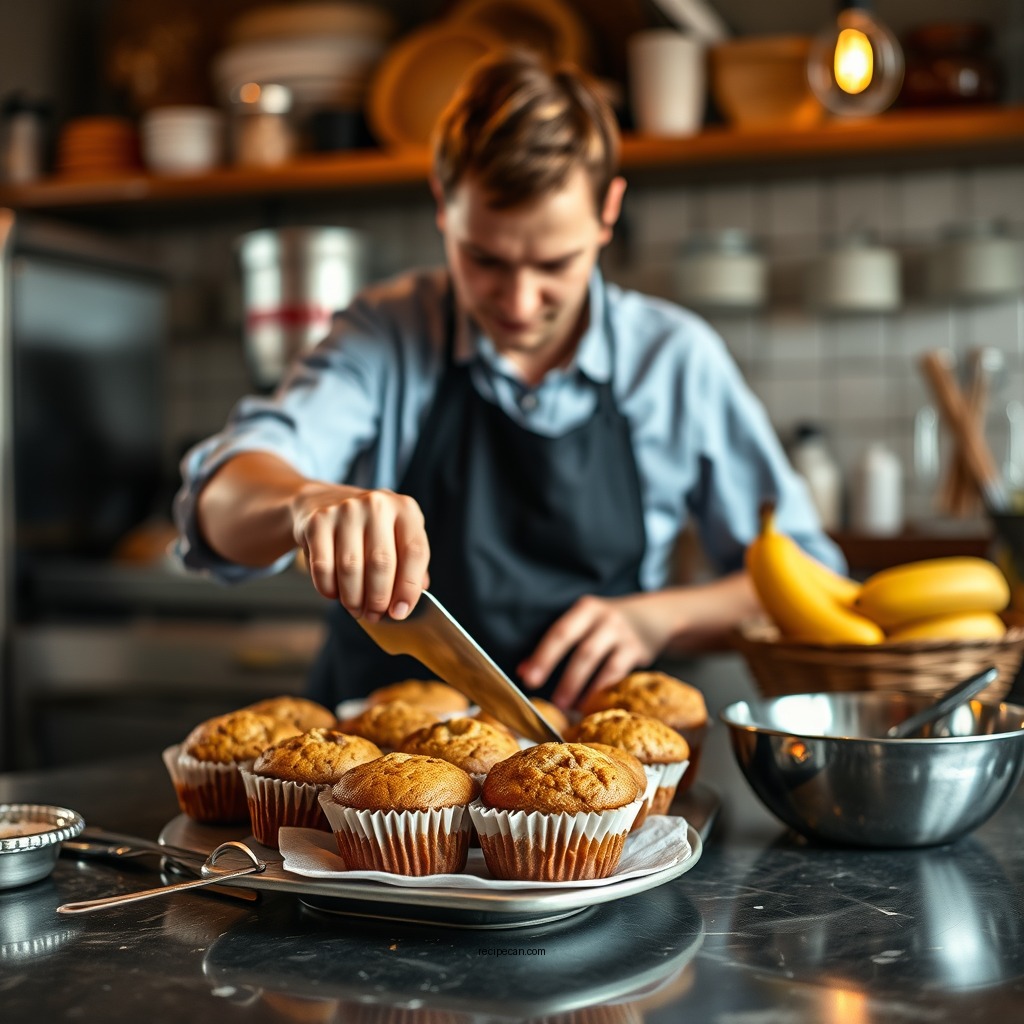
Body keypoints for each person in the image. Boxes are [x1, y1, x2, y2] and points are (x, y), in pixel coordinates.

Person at [173, 49, 843, 711]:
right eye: (485, 260)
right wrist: (303, 502)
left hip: (585, 758)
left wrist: (660, 618)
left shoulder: (673, 361)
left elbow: (811, 577)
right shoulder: (384, 336)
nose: (520, 304)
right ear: (443, 203)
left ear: (608, 211)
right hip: (375, 756)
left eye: (555, 264)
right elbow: (216, 504)